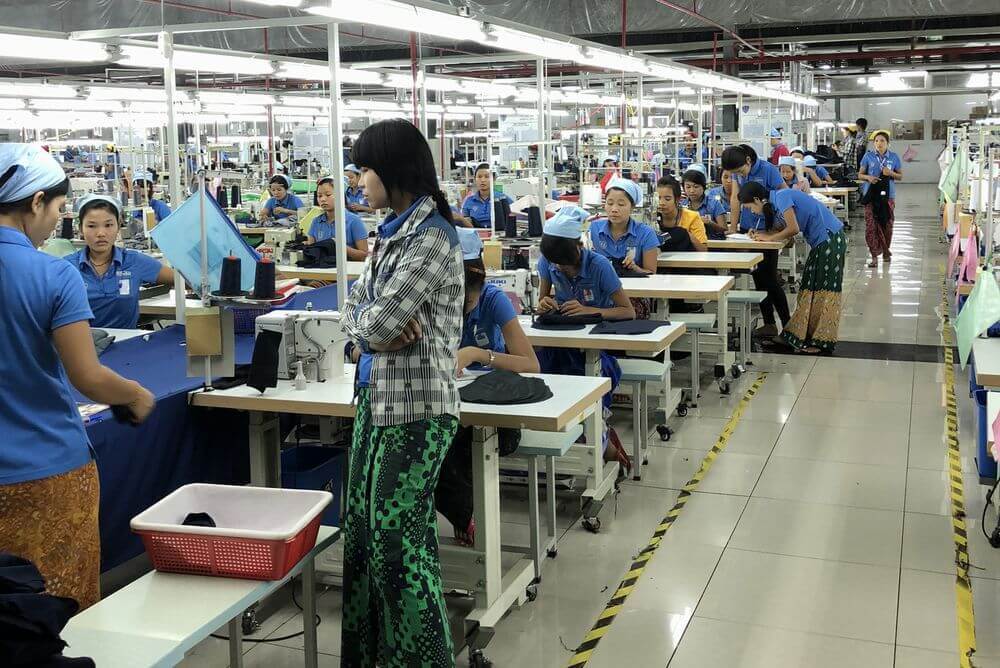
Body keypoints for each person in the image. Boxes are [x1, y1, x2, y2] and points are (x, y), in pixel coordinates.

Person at [0, 144, 155, 612]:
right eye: (58, 210)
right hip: (43, 470)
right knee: (56, 605)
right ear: (35, 202)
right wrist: (134, 395)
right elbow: (87, 377)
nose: (55, 223)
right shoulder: (53, 274)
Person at [340, 119, 464, 668]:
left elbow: (377, 319)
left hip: (418, 411)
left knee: (397, 548)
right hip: (376, 400)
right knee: (363, 537)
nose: (359, 180)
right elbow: (357, 313)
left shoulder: (432, 238)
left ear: (392, 171)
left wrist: (367, 330)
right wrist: (365, 336)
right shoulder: (391, 233)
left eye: (365, 169)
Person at [436, 228, 539, 546]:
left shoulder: (493, 300)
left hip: (495, 414)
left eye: (467, 299)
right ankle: (463, 516)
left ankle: (466, 516)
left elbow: (530, 364)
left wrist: (480, 355)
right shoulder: (434, 301)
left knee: (449, 444)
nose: (460, 306)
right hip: (449, 403)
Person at [536, 206, 633, 470]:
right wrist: (545, 304)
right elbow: (542, 300)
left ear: (579, 247)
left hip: (597, 346)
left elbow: (627, 311)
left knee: (584, 381)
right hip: (562, 343)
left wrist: (589, 310)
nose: (559, 268)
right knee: (543, 377)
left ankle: (598, 440)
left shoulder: (599, 266)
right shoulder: (548, 262)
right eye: (555, 263)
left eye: (564, 263)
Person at [738, 182, 846, 354]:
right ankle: (802, 336)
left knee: (824, 291)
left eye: (750, 207)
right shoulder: (776, 205)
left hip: (829, 240)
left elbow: (793, 229)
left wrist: (770, 238)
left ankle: (822, 342)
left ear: (757, 200)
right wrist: (764, 235)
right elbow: (789, 238)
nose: (752, 212)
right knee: (810, 289)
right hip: (823, 242)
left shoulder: (782, 196)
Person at [66, 195, 174, 329]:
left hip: (127, 340)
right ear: (81, 229)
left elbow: (182, 279)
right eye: (92, 226)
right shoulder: (67, 268)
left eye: (108, 225)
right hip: (82, 341)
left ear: (118, 227)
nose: (101, 233)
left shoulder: (134, 261)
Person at [721, 145, 790, 338]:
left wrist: (778, 228)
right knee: (758, 277)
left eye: (740, 171)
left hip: (768, 231)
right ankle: (769, 323)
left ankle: (788, 325)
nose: (738, 175)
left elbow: (785, 196)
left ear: (748, 161)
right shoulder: (737, 173)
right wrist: (733, 227)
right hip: (748, 230)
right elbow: (735, 198)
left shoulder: (768, 170)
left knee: (771, 279)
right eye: (734, 173)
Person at [588, 177, 660, 275]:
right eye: (610, 203)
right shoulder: (594, 229)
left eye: (621, 204)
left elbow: (651, 273)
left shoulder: (646, 233)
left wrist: (635, 268)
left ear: (632, 207)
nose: (614, 209)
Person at [859, 130, 903, 267]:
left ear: (888, 143)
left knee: (887, 224)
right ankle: (874, 257)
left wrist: (890, 173)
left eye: (882, 141)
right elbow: (860, 174)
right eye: (876, 141)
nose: (879, 143)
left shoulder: (894, 157)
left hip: (888, 197)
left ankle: (885, 250)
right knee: (871, 226)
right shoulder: (868, 156)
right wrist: (868, 177)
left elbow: (900, 176)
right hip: (871, 196)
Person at [307, 175, 369, 261]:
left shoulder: (354, 221)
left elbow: (364, 255)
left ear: (340, 194)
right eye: (319, 196)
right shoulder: (316, 222)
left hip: (348, 268)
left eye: (328, 195)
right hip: (322, 267)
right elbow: (311, 252)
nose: (323, 199)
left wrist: (339, 246)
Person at [656, 174, 708, 251]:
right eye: (658, 198)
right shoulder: (651, 218)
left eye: (667, 199)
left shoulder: (692, 217)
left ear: (677, 199)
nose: (661, 203)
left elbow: (703, 250)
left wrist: (685, 234)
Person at [461, 162, 512, 229]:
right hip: (476, 233)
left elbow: (513, 219)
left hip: (499, 233)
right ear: (475, 179)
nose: (483, 180)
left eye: (487, 177)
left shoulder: (503, 198)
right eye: (479, 177)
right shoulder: (469, 201)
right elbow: (464, 223)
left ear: (493, 179)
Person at [681, 168, 727, 240]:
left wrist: (709, 223)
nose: (692, 190)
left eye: (696, 187)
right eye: (688, 187)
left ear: (703, 187)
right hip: (688, 242)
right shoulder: (681, 205)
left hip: (712, 242)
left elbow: (724, 229)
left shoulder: (714, 203)